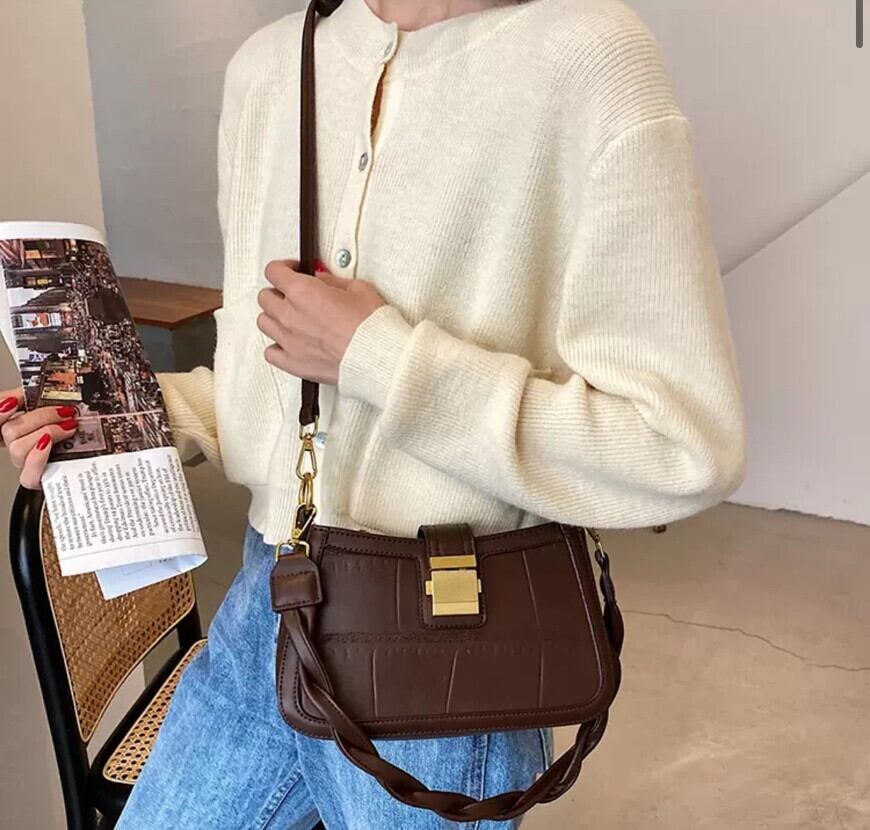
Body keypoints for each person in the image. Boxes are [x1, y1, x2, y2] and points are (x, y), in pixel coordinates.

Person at [1, 0, 747, 827]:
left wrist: (378, 357)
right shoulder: (267, 71)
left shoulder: (590, 61)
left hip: (448, 629)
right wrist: (138, 419)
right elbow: (263, 394)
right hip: (267, 604)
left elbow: (680, 446)